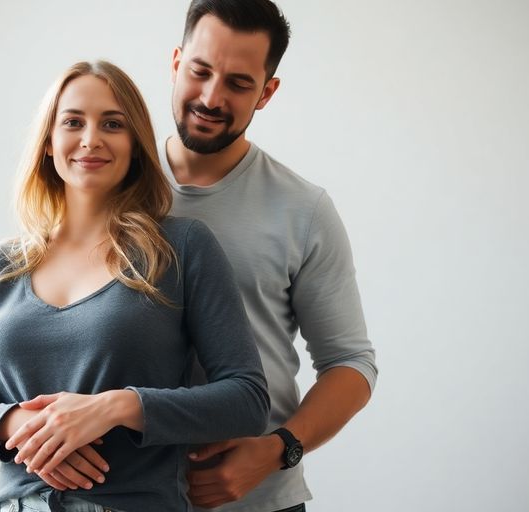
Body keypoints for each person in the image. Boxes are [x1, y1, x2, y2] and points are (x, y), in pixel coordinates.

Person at [0, 60, 270, 512]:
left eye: (112, 124)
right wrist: (25, 427)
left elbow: (247, 400)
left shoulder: (183, 247)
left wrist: (113, 408)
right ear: (49, 145)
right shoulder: (1, 265)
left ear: (134, 145)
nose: (91, 138)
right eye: (73, 122)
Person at [160, 1, 380, 511]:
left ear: (267, 92)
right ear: (175, 63)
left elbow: (351, 363)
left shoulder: (303, 209)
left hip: (259, 501)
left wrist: (277, 450)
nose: (211, 97)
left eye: (238, 83)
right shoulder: (109, 186)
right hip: (125, 496)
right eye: (200, 71)